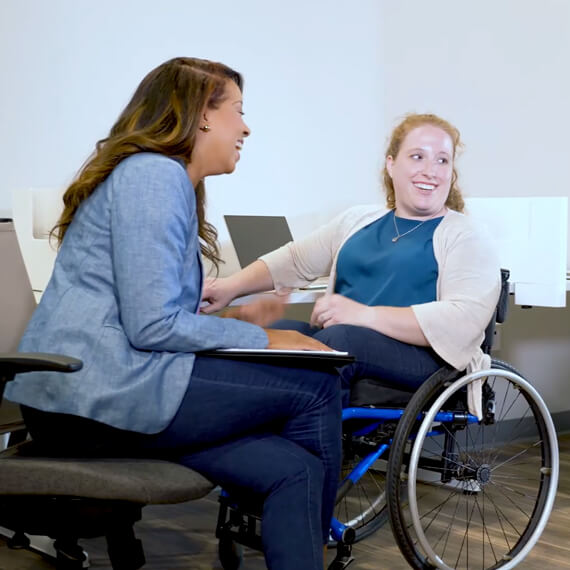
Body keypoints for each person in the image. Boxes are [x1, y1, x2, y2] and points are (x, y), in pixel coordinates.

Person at [5, 57, 343, 570]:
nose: (246, 127)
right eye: (238, 110)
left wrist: (243, 323)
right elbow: (153, 326)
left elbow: (153, 316)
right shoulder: (153, 176)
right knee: (315, 386)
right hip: (85, 398)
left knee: (291, 467)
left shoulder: (165, 181)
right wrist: (267, 340)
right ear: (202, 115)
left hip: (115, 389)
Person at [202, 113, 501, 407]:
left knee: (339, 341)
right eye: (417, 157)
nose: (431, 171)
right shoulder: (359, 220)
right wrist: (230, 287)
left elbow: (461, 320)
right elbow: (295, 259)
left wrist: (361, 314)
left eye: (442, 160)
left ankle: (301, 445)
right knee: (261, 334)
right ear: (391, 164)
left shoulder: (466, 235)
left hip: (423, 358)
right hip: (342, 338)